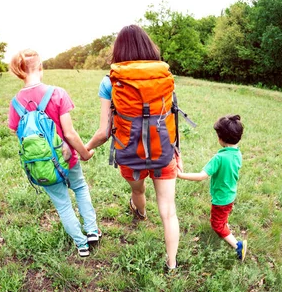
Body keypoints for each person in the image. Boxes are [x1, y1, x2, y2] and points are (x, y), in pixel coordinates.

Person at [85, 25, 181, 271]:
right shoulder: (164, 77)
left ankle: (140, 213)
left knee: (138, 192)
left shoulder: (110, 81)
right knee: (169, 211)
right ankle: (172, 264)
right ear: (149, 47)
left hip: (130, 154)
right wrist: (177, 153)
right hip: (164, 152)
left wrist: (83, 149)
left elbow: (104, 132)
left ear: (118, 50)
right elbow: (172, 119)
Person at [7, 49, 101, 257]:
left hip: (43, 165)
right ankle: (92, 231)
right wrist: (84, 153)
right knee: (80, 189)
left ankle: (81, 245)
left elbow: (21, 138)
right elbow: (69, 132)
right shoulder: (57, 93)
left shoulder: (15, 103)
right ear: (41, 67)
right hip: (68, 158)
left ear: (20, 72)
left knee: (63, 205)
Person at [177, 115, 247, 261]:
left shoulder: (219, 158)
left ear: (220, 138)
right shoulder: (237, 153)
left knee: (217, 225)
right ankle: (225, 223)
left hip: (221, 199)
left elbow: (202, 176)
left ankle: (238, 245)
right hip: (230, 195)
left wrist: (180, 175)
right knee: (223, 216)